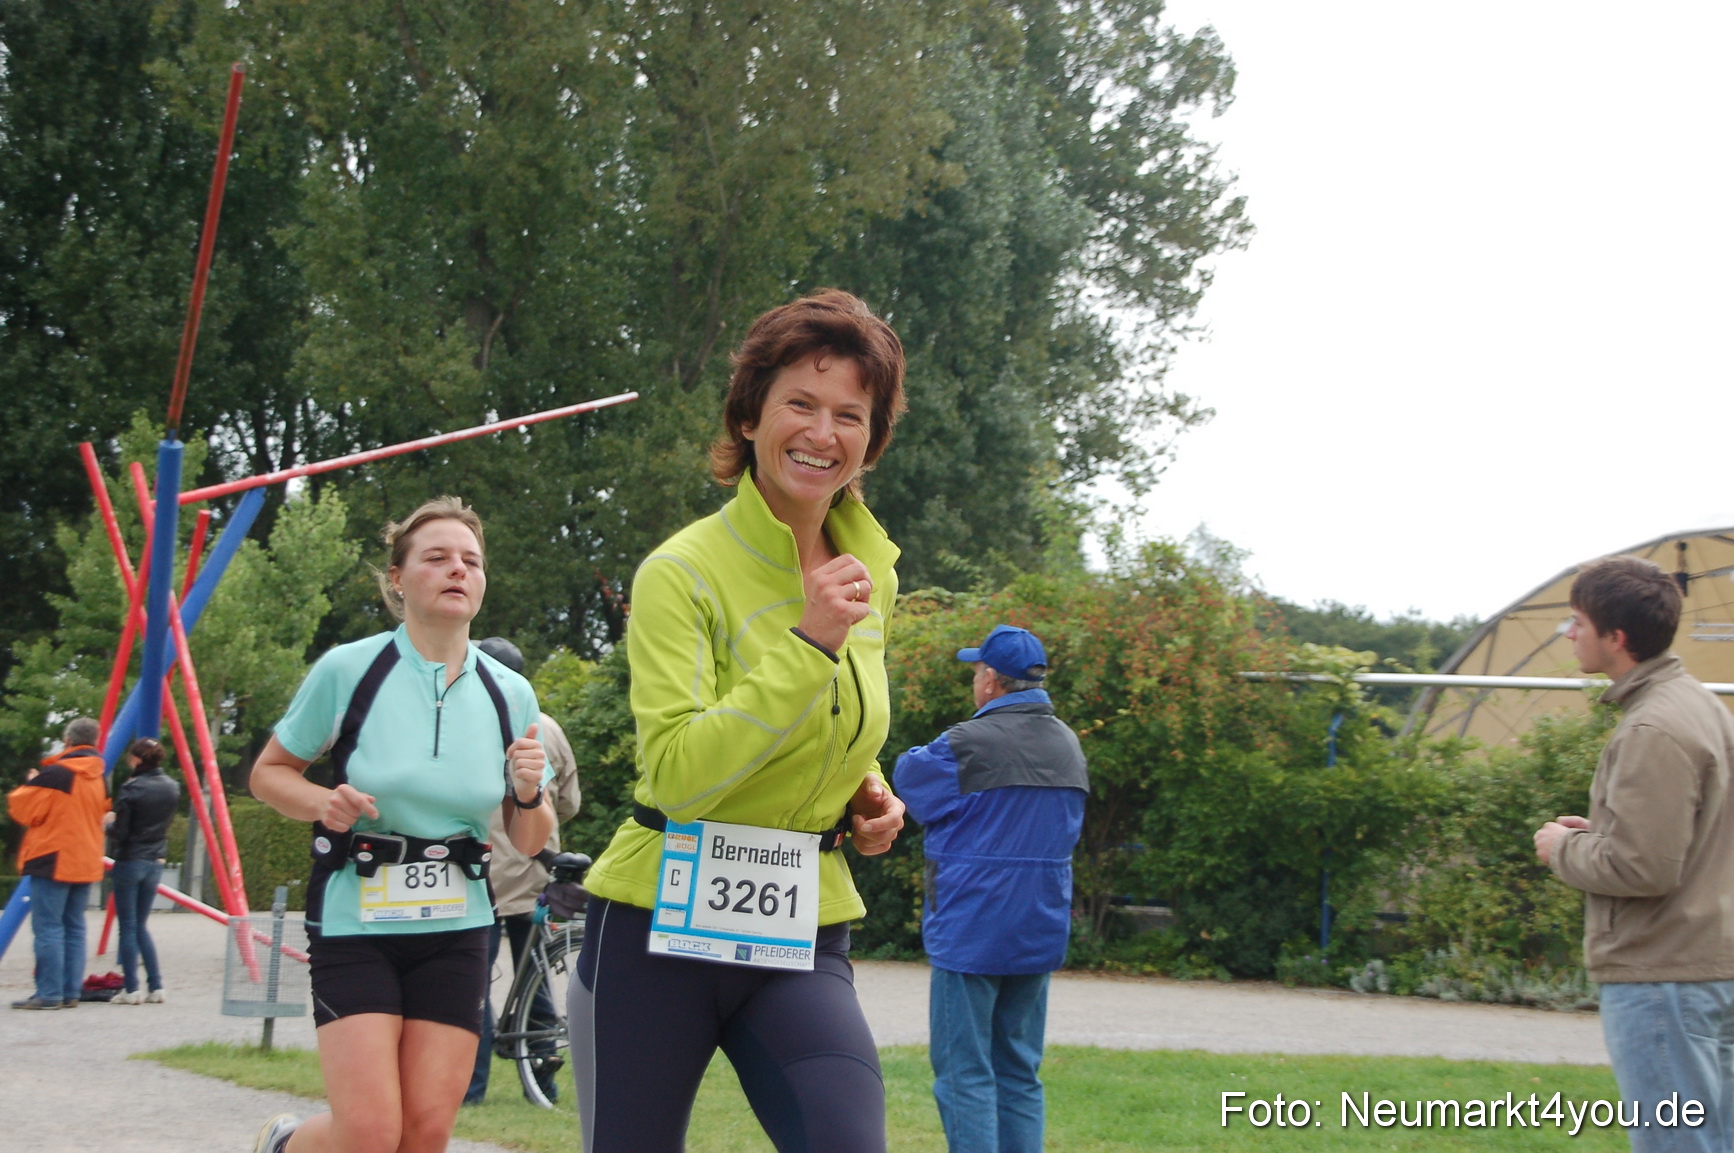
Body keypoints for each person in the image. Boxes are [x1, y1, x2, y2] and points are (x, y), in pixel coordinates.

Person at [570, 289, 908, 1153]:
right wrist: (810, 640)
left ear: (872, 438)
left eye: (850, 414)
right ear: (750, 413)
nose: (822, 433)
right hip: (654, 928)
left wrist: (864, 791)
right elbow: (680, 770)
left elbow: (833, 725)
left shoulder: (872, 573)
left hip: (798, 924)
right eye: (800, 402)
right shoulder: (680, 571)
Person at [248, 497, 555, 1153]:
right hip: (356, 914)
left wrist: (528, 793)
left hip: (458, 922)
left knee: (424, 1133)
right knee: (370, 1132)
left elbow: (530, 842)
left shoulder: (510, 692)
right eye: (437, 557)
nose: (457, 570)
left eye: (470, 561)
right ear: (397, 577)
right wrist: (318, 803)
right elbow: (269, 771)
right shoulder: (347, 669)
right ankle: (284, 1145)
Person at [1533, 556, 1734, 1153]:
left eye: (1577, 622)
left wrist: (1565, 848)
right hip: (1706, 968)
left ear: (1615, 638)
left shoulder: (1653, 727)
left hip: (1661, 979)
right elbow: (1695, 836)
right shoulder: (1701, 707)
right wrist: (1606, 833)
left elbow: (1645, 868)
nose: (1570, 635)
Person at [894, 625, 1088, 1153]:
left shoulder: (967, 742)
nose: (975, 681)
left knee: (965, 1074)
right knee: (1020, 1071)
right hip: (1039, 928)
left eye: (978, 671)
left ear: (991, 682)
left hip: (971, 929)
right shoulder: (1068, 745)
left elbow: (910, 783)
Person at [464, 635, 582, 1106]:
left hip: (484, 877)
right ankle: (543, 1086)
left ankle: (470, 1091)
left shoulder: (469, 723)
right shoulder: (547, 728)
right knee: (534, 981)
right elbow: (570, 801)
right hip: (538, 874)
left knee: (473, 985)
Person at [7, 716, 109, 1010]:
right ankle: (70, 991)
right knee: (75, 927)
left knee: (48, 927)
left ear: (68, 741)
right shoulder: (99, 776)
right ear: (94, 741)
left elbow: (23, 809)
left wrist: (30, 783)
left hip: (53, 858)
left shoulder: (57, 774)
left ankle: (49, 993)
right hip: (86, 858)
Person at [104, 736, 181, 1005]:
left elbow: (121, 833)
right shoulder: (172, 787)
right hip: (155, 861)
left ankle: (131, 989)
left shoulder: (131, 789)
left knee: (127, 926)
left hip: (130, 861)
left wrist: (107, 824)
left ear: (136, 759)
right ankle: (156, 986)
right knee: (140, 926)